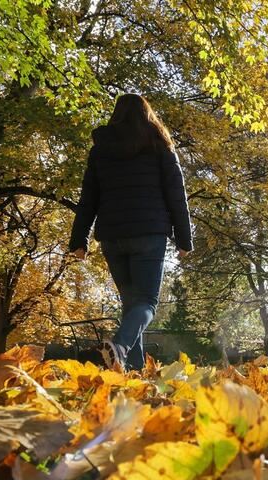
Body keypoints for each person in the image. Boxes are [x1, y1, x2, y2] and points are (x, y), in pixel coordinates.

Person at [68, 94, 193, 372]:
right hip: (149, 234)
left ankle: (132, 371)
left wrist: (79, 240)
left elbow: (88, 198)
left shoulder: (101, 150)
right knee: (146, 303)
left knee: (131, 305)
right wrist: (184, 239)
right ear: (147, 115)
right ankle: (119, 347)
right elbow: (177, 196)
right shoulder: (160, 146)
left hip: (113, 236)